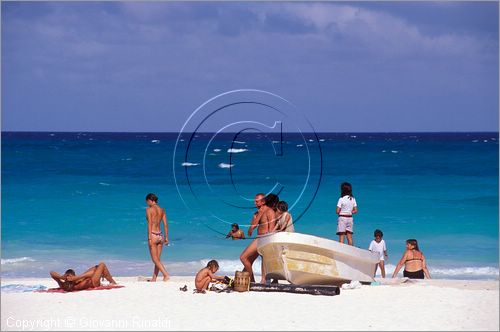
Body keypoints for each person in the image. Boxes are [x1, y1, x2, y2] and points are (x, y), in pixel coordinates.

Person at [240, 193, 277, 283]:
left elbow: (271, 229)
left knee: (243, 257)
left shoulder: (269, 211)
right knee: (249, 260)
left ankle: (260, 280)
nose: (255, 203)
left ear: (263, 201)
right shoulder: (257, 213)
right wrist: (257, 215)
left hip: (264, 238)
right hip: (258, 238)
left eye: (257, 201)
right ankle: (252, 280)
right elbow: (251, 228)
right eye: (254, 201)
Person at [145, 193, 170, 282]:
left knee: (154, 259)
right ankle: (154, 278)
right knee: (157, 259)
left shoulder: (149, 210)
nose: (147, 204)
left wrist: (149, 238)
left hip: (153, 234)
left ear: (150, 200)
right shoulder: (162, 210)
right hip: (160, 235)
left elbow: (150, 223)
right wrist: (166, 237)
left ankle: (166, 275)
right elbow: (166, 225)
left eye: (147, 202)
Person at [49, 262, 117, 292]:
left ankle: (111, 281)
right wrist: (77, 278)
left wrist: (61, 277)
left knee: (96, 267)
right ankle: (112, 282)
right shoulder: (75, 280)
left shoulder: (63, 285)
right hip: (93, 283)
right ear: (74, 275)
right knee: (102, 264)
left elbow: (52, 273)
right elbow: (92, 274)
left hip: (90, 281)